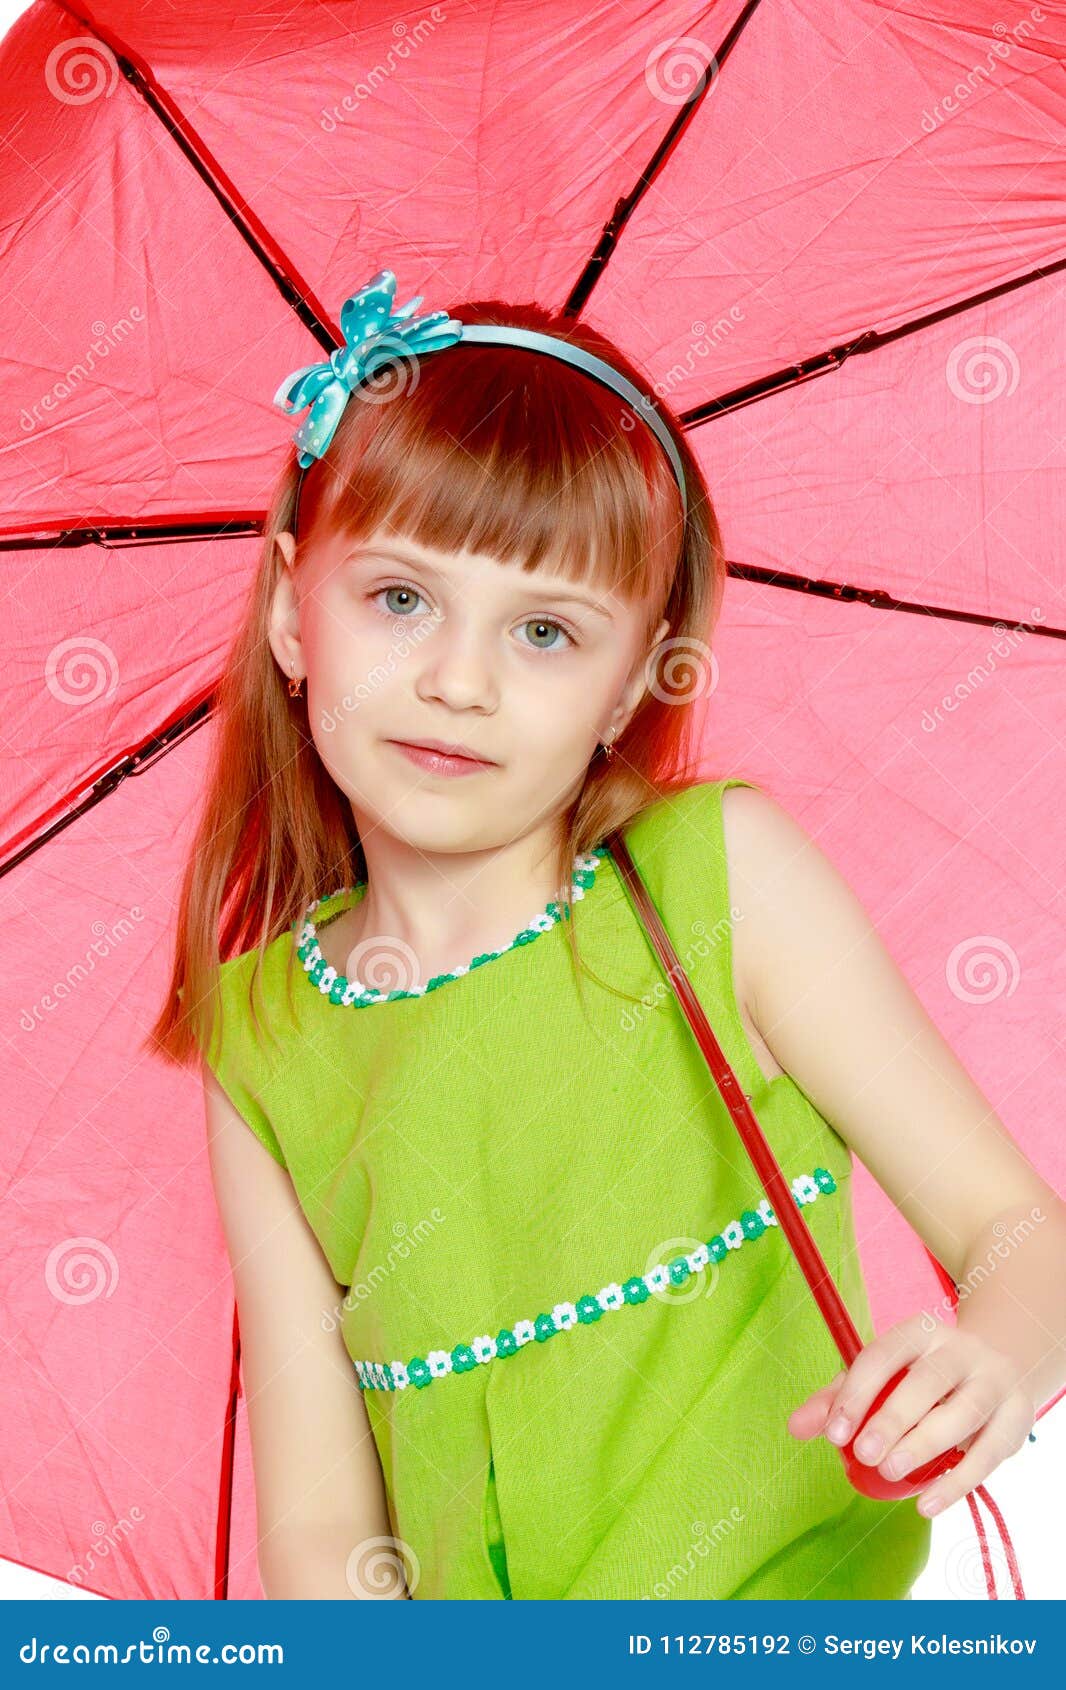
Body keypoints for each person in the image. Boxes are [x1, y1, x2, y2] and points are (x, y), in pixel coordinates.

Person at [147, 269, 1060, 1601]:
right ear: (295, 609)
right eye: (399, 599)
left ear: (635, 673)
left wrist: (997, 1356)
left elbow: (1015, 1230)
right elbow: (320, 1517)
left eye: (544, 630)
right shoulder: (262, 1035)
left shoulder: (717, 877)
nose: (460, 679)